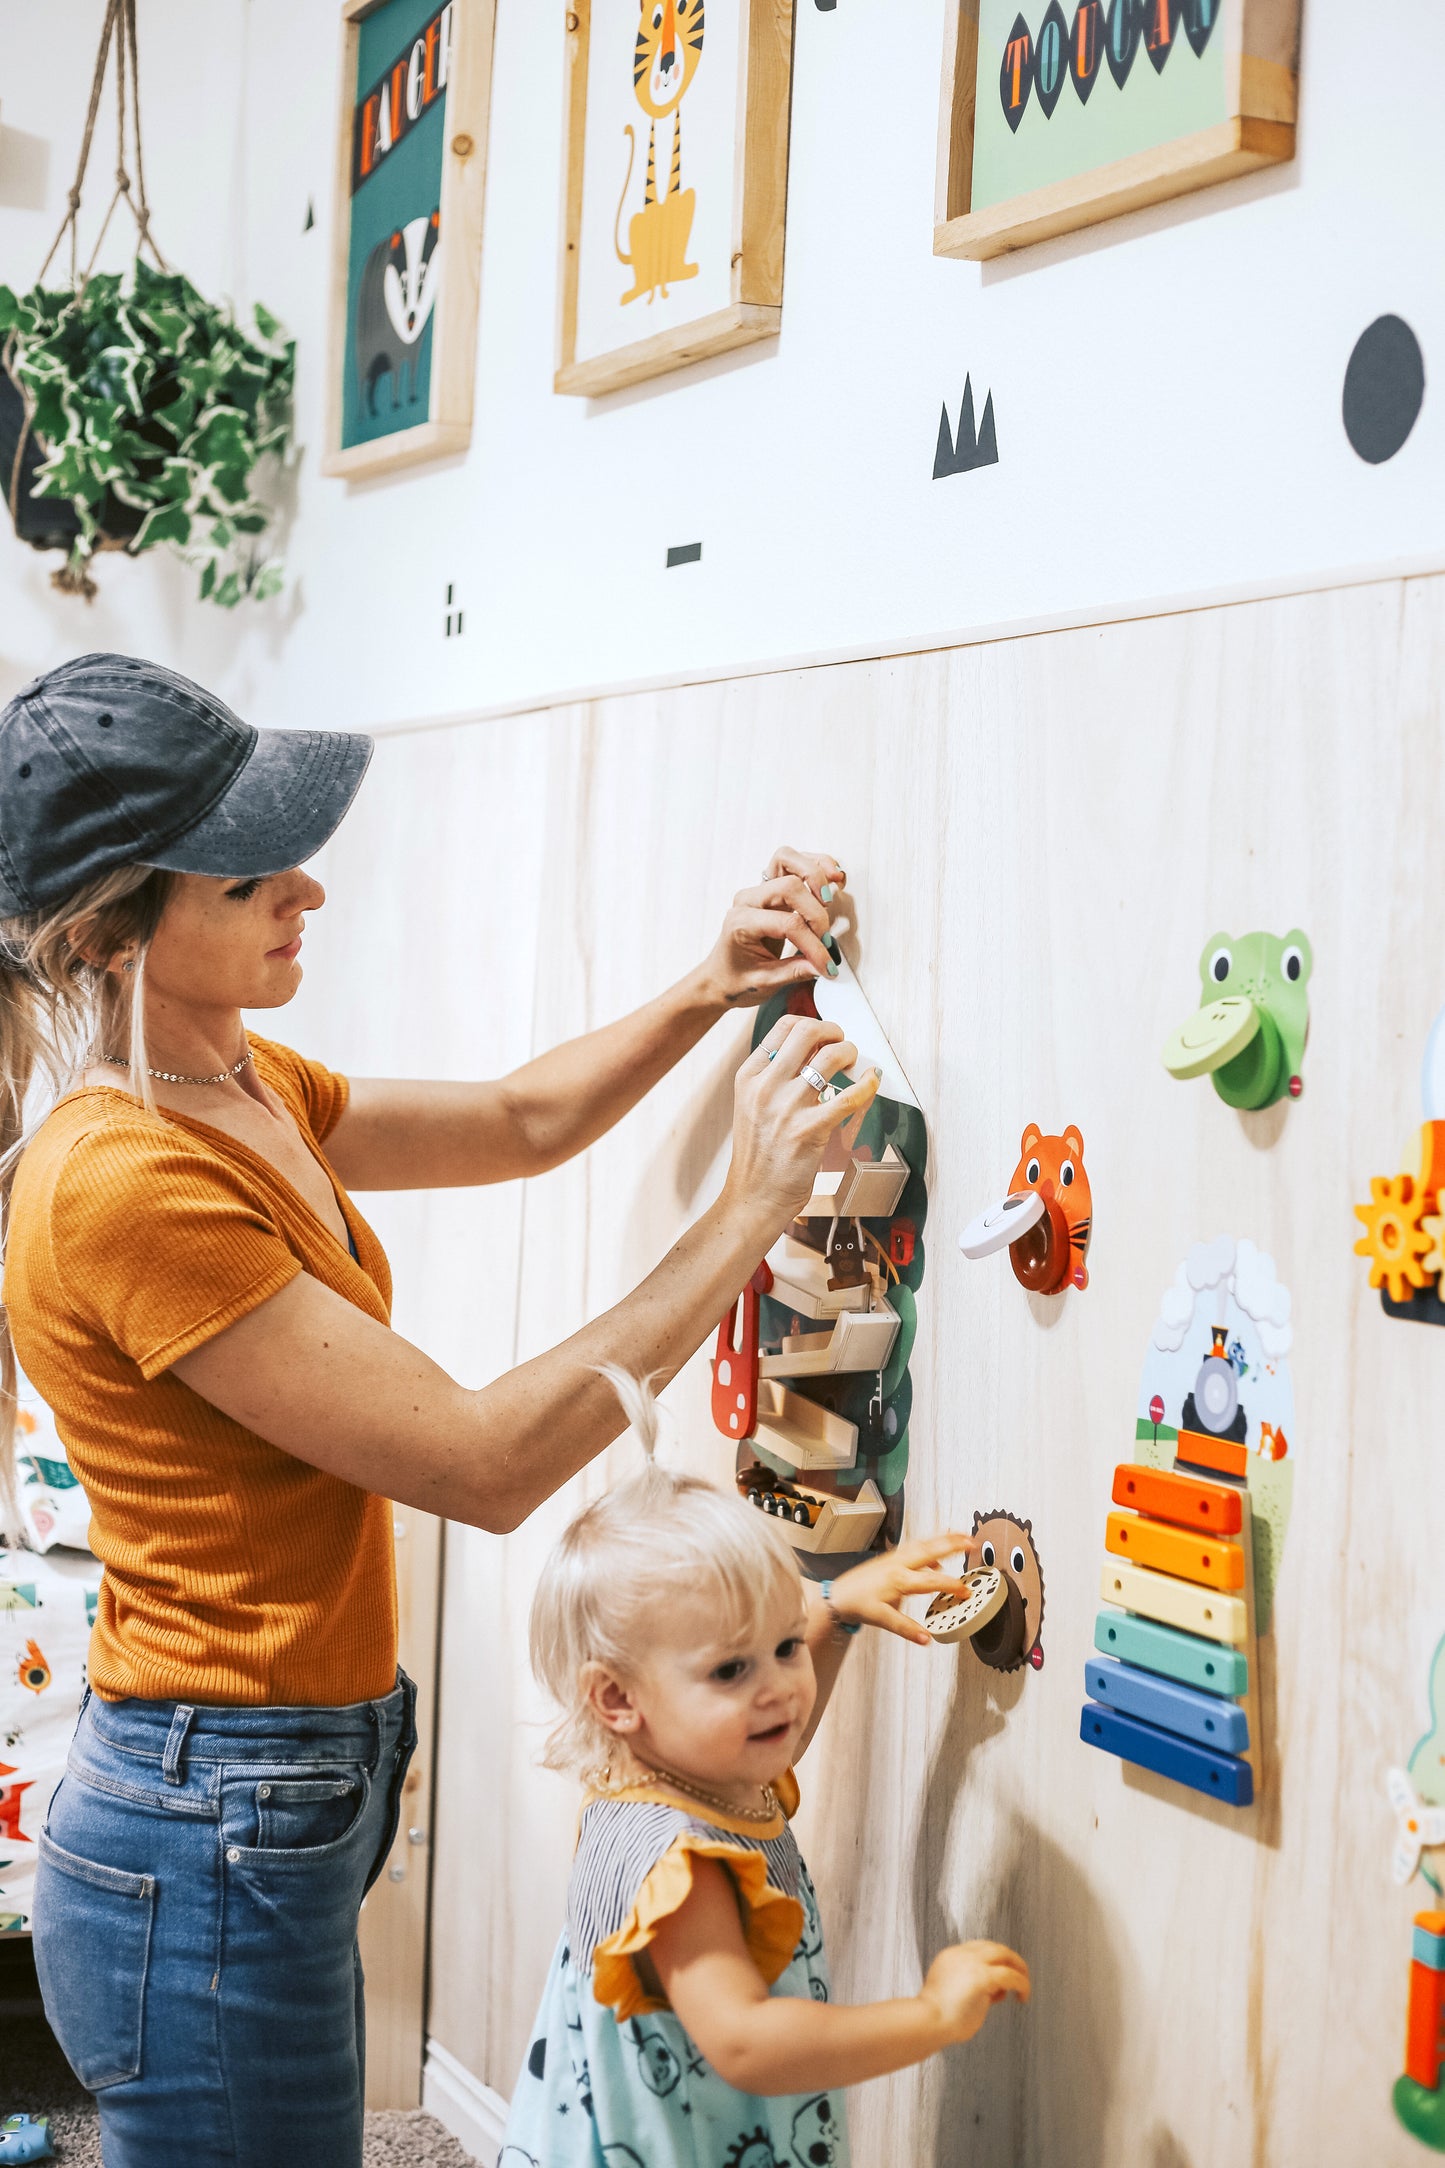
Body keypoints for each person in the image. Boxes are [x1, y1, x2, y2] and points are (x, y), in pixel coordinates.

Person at [0, 653, 877, 2168]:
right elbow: (482, 1461)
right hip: (209, 1819)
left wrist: (707, 986)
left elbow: (522, 1122)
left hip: (276, 1781)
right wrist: (750, 1209)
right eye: (248, 877)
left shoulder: (237, 1082)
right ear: (106, 931)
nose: (308, 891)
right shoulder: (124, 1178)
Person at [503, 1372, 1031, 2168]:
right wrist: (928, 2015)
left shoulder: (665, 1770)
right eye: (730, 1669)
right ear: (616, 1698)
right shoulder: (684, 1868)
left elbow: (776, 1738)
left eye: (784, 1645)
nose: (780, 1687)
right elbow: (746, 2042)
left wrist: (835, 1612)